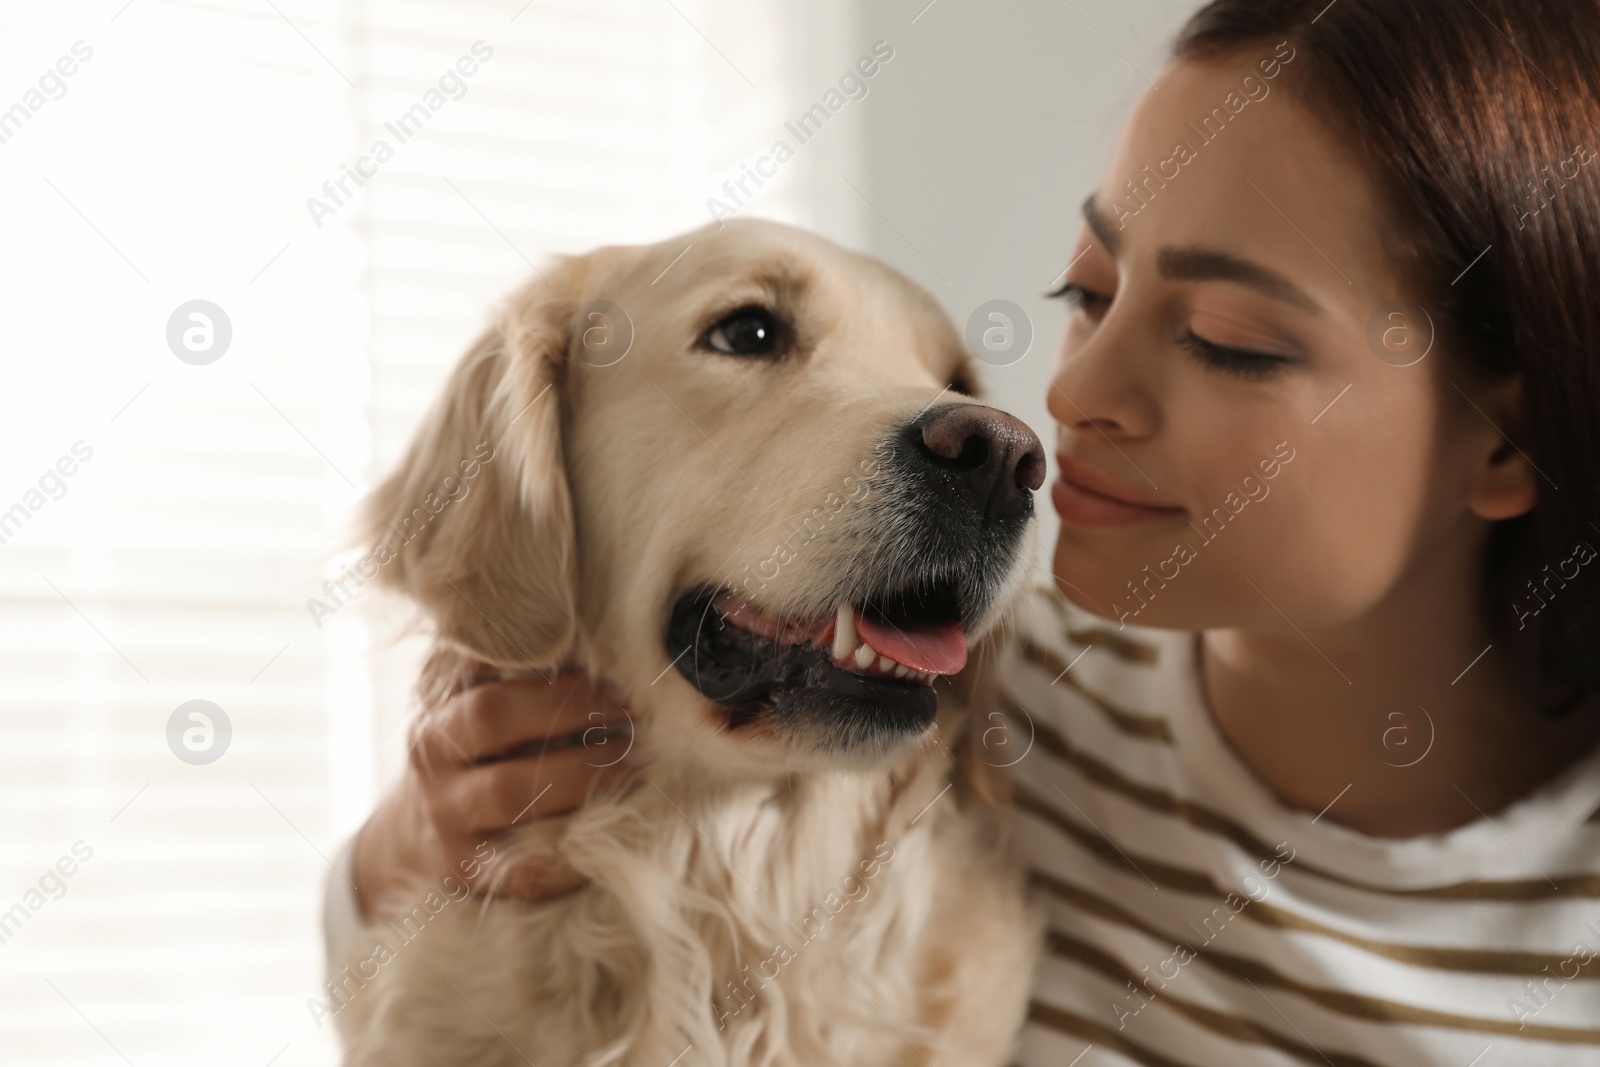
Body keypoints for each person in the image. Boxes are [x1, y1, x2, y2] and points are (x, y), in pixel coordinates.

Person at [327, 0, 1600, 1062]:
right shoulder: (971, 695)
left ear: (1506, 442)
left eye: (1230, 339)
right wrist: (412, 843)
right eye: (1087, 293)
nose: (1064, 404)